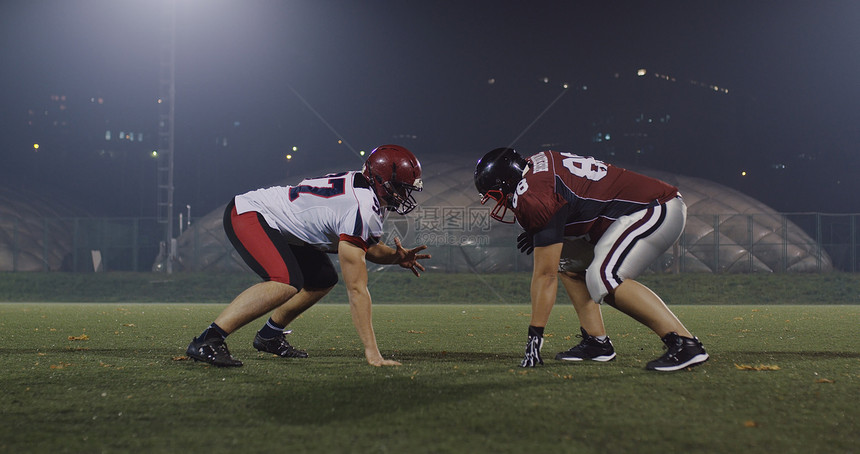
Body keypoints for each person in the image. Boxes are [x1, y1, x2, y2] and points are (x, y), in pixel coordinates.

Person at [186, 144, 430, 367]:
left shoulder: (367, 196)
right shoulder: (362, 207)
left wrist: (397, 257)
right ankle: (209, 340)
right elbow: (356, 288)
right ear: (380, 180)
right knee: (285, 281)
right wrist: (372, 353)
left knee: (322, 278)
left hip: (285, 228)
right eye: (399, 188)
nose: (403, 196)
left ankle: (270, 335)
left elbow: (368, 246)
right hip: (252, 213)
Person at [474, 147, 708, 371]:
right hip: (629, 214)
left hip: (655, 208)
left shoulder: (534, 194)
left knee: (604, 276)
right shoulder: (537, 166)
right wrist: (545, 227)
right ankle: (597, 342)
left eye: (495, 195)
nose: (499, 202)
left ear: (505, 183)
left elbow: (545, 276)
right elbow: (570, 199)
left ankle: (685, 343)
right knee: (568, 263)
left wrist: (535, 335)